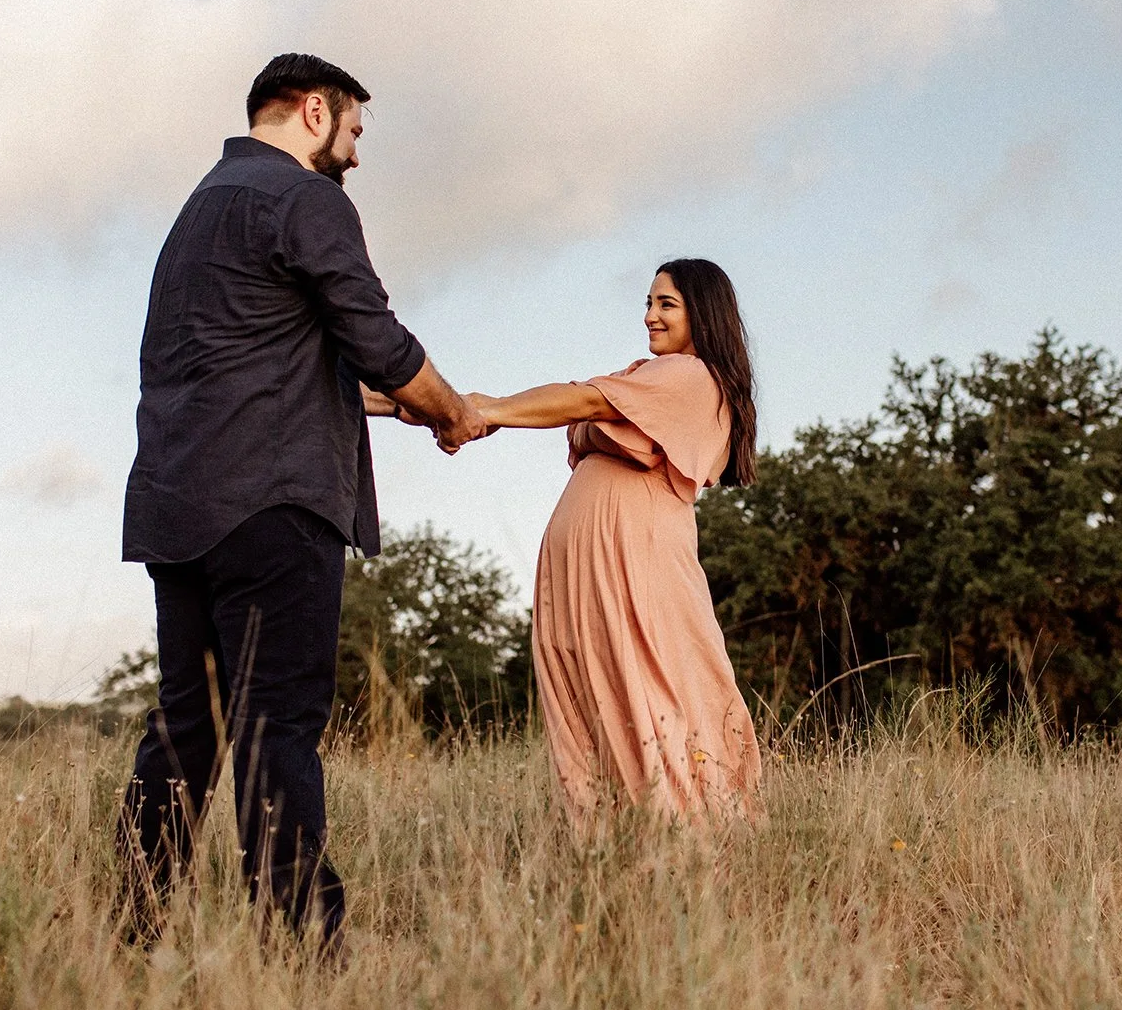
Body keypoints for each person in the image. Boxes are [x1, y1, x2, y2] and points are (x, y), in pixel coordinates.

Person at [116, 53, 486, 948]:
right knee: (278, 724)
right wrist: (451, 410)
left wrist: (387, 402)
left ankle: (136, 929)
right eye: (354, 131)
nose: (355, 155)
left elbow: (253, 360)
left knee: (187, 728)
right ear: (314, 110)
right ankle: (302, 948)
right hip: (276, 505)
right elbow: (375, 334)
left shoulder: (195, 214)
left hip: (178, 506)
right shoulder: (304, 198)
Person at [469, 258, 763, 826]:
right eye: (649, 303)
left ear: (703, 312)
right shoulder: (655, 374)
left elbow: (585, 402)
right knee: (597, 693)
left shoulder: (690, 376)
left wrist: (488, 409)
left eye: (666, 305)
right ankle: (615, 847)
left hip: (635, 559)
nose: (650, 316)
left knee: (650, 689)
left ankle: (681, 847)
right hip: (600, 561)